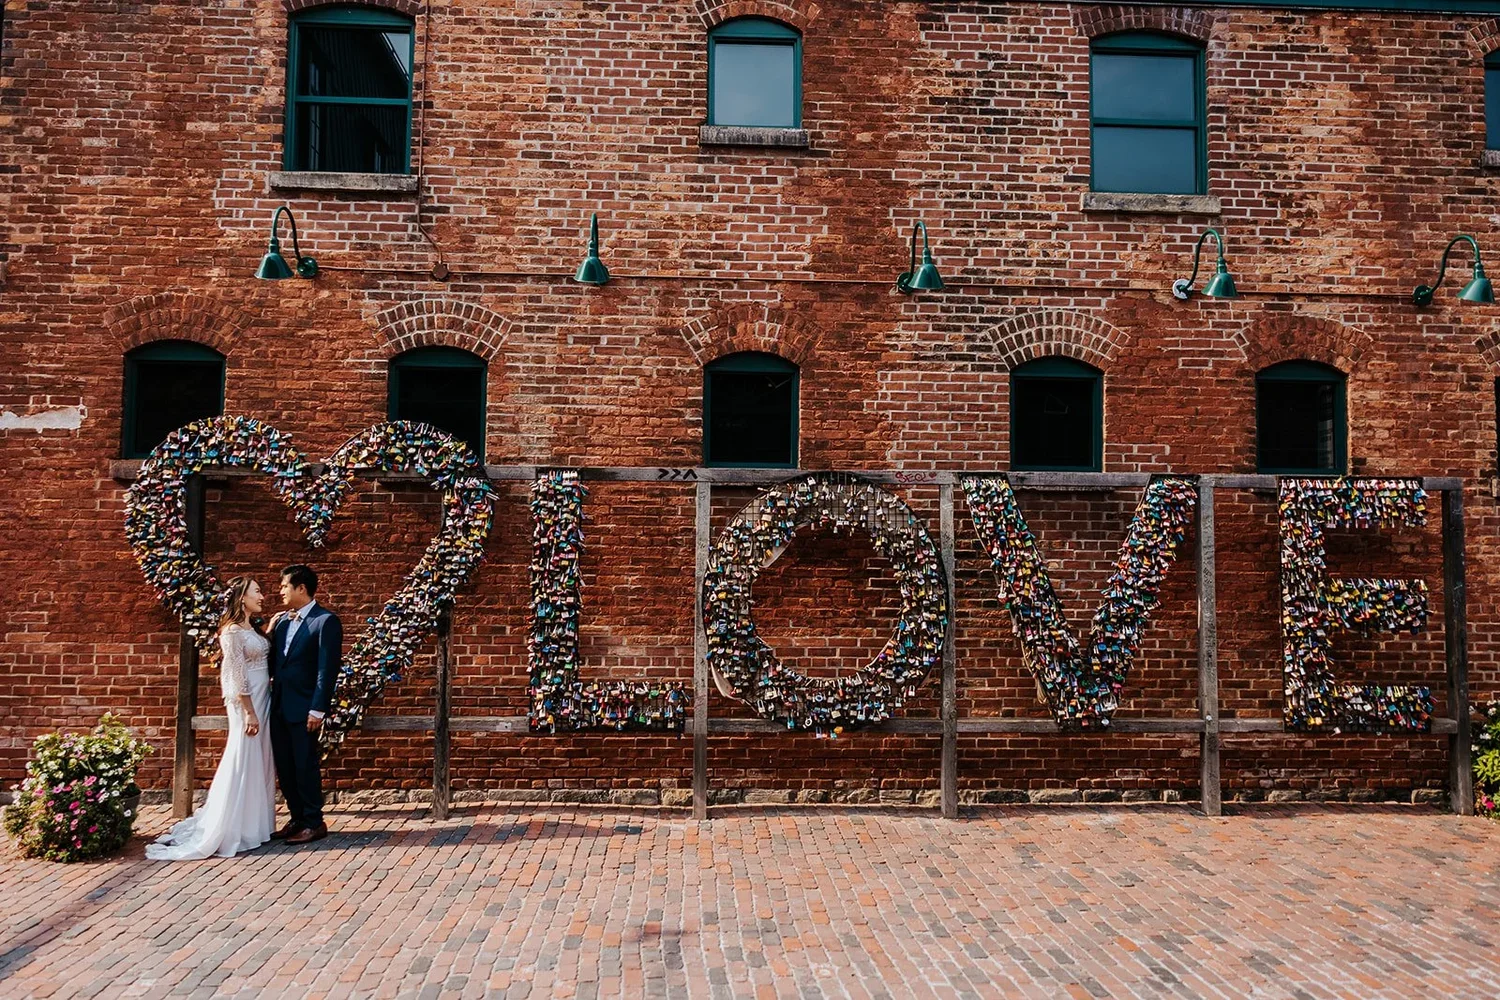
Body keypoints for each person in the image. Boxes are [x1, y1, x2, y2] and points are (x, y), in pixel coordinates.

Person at [147, 576, 275, 860]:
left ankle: (255, 826)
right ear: (242, 597)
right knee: (242, 756)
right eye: (257, 591)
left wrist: (272, 628)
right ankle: (230, 826)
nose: (262, 596)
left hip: (262, 698)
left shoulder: (251, 629)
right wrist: (249, 711)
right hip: (247, 702)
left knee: (260, 759)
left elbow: (260, 652)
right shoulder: (230, 632)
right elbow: (236, 673)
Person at [267, 563, 343, 845]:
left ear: (301, 588)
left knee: (305, 765)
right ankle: (296, 817)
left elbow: (327, 669)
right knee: (285, 766)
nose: (280, 591)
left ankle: (314, 821)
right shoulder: (283, 621)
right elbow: (274, 663)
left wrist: (317, 708)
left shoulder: (326, 621)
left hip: (304, 709)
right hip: (278, 707)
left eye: (284, 586)